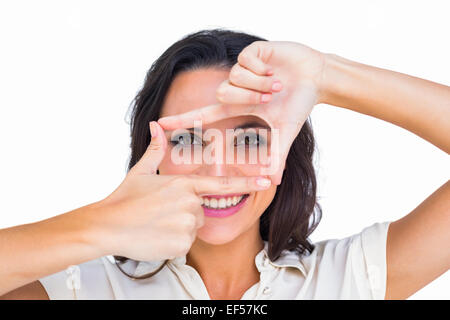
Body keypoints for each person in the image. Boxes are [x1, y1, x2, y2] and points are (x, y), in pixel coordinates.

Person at [1, 29, 448, 300]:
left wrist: (326, 76)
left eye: (249, 137)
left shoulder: (349, 278)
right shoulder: (84, 289)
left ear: (287, 149)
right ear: (150, 154)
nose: (217, 168)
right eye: (189, 138)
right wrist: (100, 224)